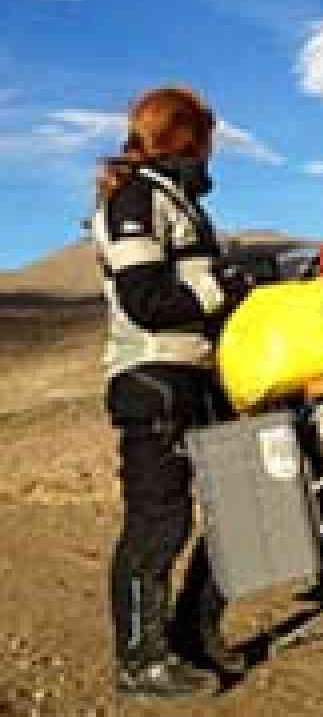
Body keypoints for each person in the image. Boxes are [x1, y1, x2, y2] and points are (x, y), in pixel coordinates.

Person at [91, 86, 257, 698]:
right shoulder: (135, 199)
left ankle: (192, 633)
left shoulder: (175, 199)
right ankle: (141, 660)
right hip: (152, 380)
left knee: (237, 508)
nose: (211, 151)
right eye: (206, 138)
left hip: (197, 377)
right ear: (185, 137)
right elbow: (147, 300)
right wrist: (225, 287)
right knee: (159, 521)